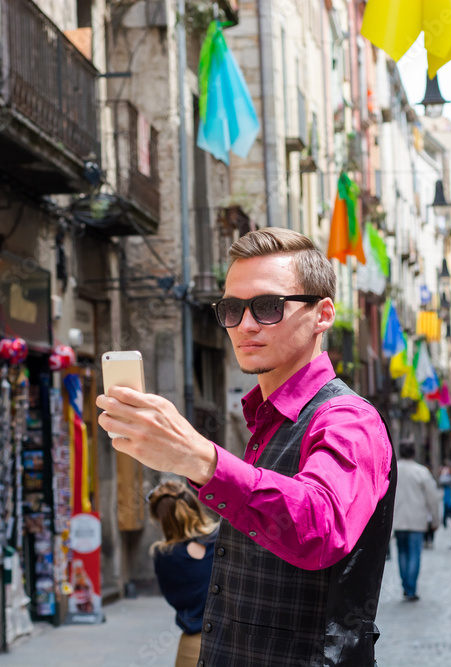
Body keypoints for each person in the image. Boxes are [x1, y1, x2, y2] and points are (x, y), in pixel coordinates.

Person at [96, 228, 396, 666]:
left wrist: (200, 459)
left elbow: (320, 526)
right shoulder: (265, 420)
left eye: (269, 307)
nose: (246, 325)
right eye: (233, 309)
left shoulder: (347, 420)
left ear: (323, 314)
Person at [147, 481, 219, 667]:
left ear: (161, 520)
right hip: (231, 639)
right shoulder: (222, 539)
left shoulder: (164, 555)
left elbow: (174, 597)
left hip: (193, 642)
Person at [391, 442, 441, 600]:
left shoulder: (393, 470)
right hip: (417, 520)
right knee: (414, 554)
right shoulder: (422, 472)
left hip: (398, 520)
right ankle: (411, 588)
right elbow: (433, 498)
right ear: (414, 453)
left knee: (402, 553)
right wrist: (435, 520)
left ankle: (406, 585)